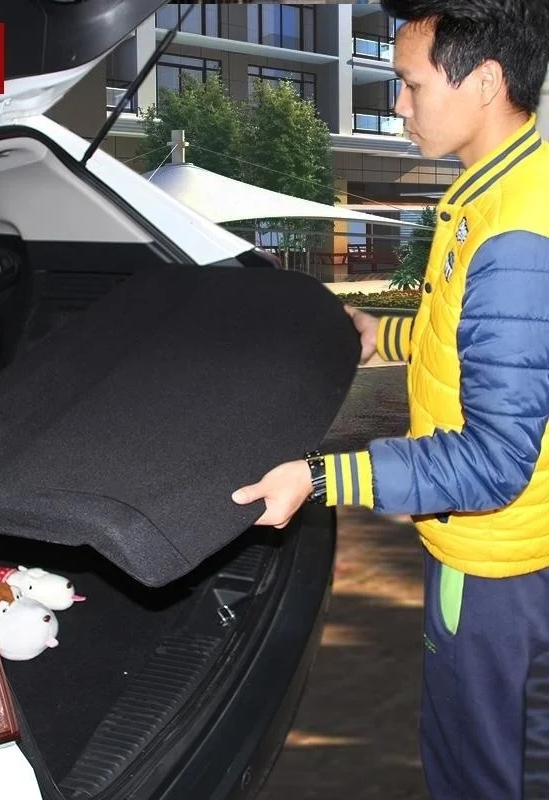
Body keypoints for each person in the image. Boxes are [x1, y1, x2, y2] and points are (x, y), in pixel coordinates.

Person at [231, 1, 549, 797]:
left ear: (485, 82)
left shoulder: (514, 236)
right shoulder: (501, 193)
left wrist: (321, 477)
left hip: (493, 563)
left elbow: (493, 464)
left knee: (476, 766)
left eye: (410, 84)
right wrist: (387, 334)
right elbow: (481, 339)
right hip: (517, 547)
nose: (398, 105)